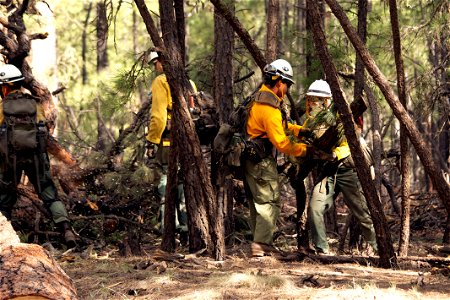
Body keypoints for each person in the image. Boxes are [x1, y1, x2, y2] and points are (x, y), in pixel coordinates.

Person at [0, 64, 76, 248]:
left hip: (10, 161)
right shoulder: (35, 104)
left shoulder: (2, 107)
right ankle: (66, 230)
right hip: (36, 158)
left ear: (6, 86)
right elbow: (44, 133)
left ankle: (4, 239)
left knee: (4, 200)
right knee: (50, 194)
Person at [243, 59, 311, 257]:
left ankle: (259, 242)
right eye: (287, 83)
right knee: (268, 201)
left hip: (249, 159)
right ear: (279, 82)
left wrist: (301, 131)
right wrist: (305, 150)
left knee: (257, 202)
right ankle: (262, 244)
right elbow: (281, 143)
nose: (287, 88)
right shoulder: (269, 109)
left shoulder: (259, 99)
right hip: (261, 161)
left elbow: (282, 126)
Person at [304, 79, 377, 255]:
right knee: (315, 208)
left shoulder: (342, 115)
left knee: (363, 214)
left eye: (319, 99)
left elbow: (351, 143)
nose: (314, 103)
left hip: (349, 169)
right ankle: (322, 250)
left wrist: (334, 154)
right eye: (311, 98)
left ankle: (380, 249)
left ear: (327, 100)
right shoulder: (310, 122)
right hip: (329, 171)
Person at [145, 52, 196, 234]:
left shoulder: (161, 81)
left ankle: (169, 227)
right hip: (188, 144)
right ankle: (185, 226)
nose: (155, 67)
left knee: (165, 182)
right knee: (182, 183)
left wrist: (151, 141)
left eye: (156, 63)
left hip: (167, 143)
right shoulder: (189, 82)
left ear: (162, 61)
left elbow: (158, 117)